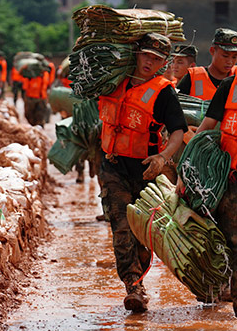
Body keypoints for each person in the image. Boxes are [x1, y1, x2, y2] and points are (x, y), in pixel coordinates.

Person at [98, 32, 187, 313]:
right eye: (147, 55)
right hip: (113, 166)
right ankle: (133, 285)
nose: (150, 62)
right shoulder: (112, 81)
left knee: (142, 232)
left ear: (163, 63)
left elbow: (178, 132)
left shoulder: (164, 91)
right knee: (121, 227)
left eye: (157, 59)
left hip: (146, 170)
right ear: (136, 53)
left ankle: (140, 276)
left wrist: (163, 158)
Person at [189, 32, 237, 316]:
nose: (231, 61)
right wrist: (186, 169)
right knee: (233, 244)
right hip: (230, 181)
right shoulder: (231, 85)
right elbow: (207, 126)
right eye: (227, 55)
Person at [177, 28, 237, 100]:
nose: (230, 62)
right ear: (212, 51)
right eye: (225, 56)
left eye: (234, 57)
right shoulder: (193, 77)